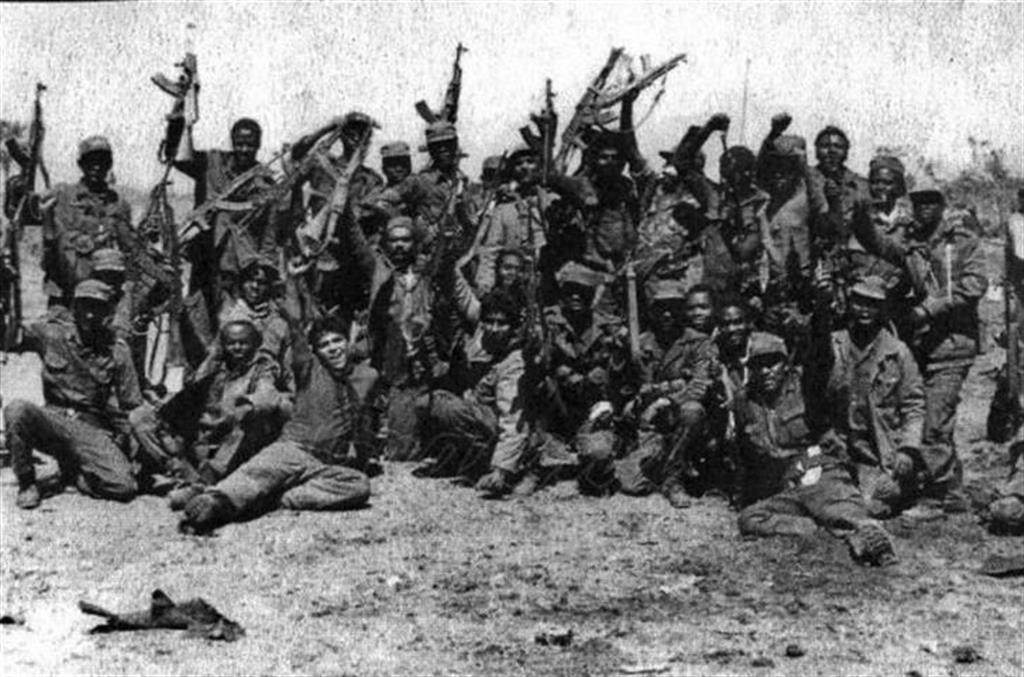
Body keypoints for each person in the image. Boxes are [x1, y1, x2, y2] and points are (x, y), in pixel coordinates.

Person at [853, 179, 988, 515]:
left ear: (942, 205)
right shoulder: (913, 244)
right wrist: (860, 217)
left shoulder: (962, 241)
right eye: (918, 201)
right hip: (924, 346)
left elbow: (975, 284)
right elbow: (880, 245)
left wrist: (930, 308)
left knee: (935, 420)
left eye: (931, 201)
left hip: (954, 345)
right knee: (931, 415)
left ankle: (936, 498)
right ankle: (951, 489)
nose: (924, 207)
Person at [179, 315, 375, 534]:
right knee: (258, 473)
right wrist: (292, 289)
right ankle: (215, 501)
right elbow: (296, 327)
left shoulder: (369, 376)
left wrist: (360, 456)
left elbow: (363, 424)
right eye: (324, 345)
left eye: (337, 341)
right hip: (293, 449)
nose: (333, 349)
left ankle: (276, 499)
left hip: (324, 464)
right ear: (316, 351)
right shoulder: (309, 369)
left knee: (359, 485)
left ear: (348, 342)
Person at [735, 333, 897, 567]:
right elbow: (745, 455)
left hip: (819, 470)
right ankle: (814, 525)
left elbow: (822, 357)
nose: (766, 371)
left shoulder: (807, 385)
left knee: (838, 505)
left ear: (786, 364)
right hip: (785, 485)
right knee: (749, 518)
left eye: (773, 363)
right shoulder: (744, 401)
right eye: (758, 365)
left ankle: (870, 536)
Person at [5, 280, 142, 508]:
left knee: (123, 487)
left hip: (92, 429)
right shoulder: (50, 334)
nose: (90, 315)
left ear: (108, 312)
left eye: (97, 308)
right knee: (17, 409)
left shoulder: (117, 350)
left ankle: (75, 472)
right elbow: (10, 335)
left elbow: (132, 404)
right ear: (74, 309)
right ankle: (28, 483)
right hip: (52, 422)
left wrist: (131, 447)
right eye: (84, 307)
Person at [129, 320, 290, 494]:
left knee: (251, 414)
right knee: (141, 417)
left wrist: (248, 404)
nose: (237, 348)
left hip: (232, 442)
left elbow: (267, 395)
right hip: (199, 436)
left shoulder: (262, 369)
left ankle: (207, 479)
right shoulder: (213, 365)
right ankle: (178, 470)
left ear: (255, 345)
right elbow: (187, 395)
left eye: (243, 343)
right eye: (231, 343)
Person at [820, 276, 926, 518]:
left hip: (876, 450)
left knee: (870, 505)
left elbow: (914, 406)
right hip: (837, 444)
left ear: (883, 308)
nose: (865, 310)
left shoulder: (897, 352)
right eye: (859, 302)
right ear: (849, 304)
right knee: (805, 483)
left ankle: (899, 486)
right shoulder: (834, 345)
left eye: (873, 304)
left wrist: (907, 450)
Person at [415, 291, 528, 494]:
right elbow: (460, 291)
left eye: (501, 323)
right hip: (480, 412)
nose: (493, 329)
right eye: (489, 321)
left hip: (500, 425)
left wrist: (501, 470)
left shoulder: (514, 362)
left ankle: (488, 462)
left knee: (444, 406)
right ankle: (458, 457)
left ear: (513, 327)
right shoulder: (479, 340)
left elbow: (513, 418)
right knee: (427, 402)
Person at [616, 282, 717, 507]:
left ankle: (674, 480)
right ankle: (661, 461)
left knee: (692, 411)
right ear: (652, 311)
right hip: (652, 425)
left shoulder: (698, 342)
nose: (668, 314)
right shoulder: (642, 343)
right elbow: (627, 388)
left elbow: (699, 386)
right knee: (632, 484)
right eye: (662, 308)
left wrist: (665, 399)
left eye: (673, 307)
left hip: (685, 421)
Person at [41, 136, 134, 307]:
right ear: (81, 164)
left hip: (105, 294)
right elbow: (56, 240)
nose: (97, 167)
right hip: (66, 293)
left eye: (103, 161)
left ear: (109, 165)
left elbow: (128, 248)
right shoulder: (63, 196)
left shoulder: (119, 204)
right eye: (91, 161)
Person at [471, 145, 549, 293]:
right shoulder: (504, 209)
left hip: (548, 284)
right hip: (514, 284)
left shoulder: (551, 202)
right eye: (519, 163)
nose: (525, 167)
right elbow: (491, 251)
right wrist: (485, 286)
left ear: (539, 165)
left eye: (530, 161)